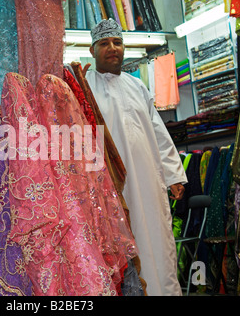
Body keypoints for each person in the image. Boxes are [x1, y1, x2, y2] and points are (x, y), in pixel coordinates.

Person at [84, 19, 188, 296]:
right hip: (112, 186)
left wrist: (174, 175)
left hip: (149, 182)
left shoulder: (137, 86)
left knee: (157, 240)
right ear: (92, 49)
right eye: (104, 43)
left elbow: (159, 131)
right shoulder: (84, 87)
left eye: (117, 42)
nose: (112, 48)